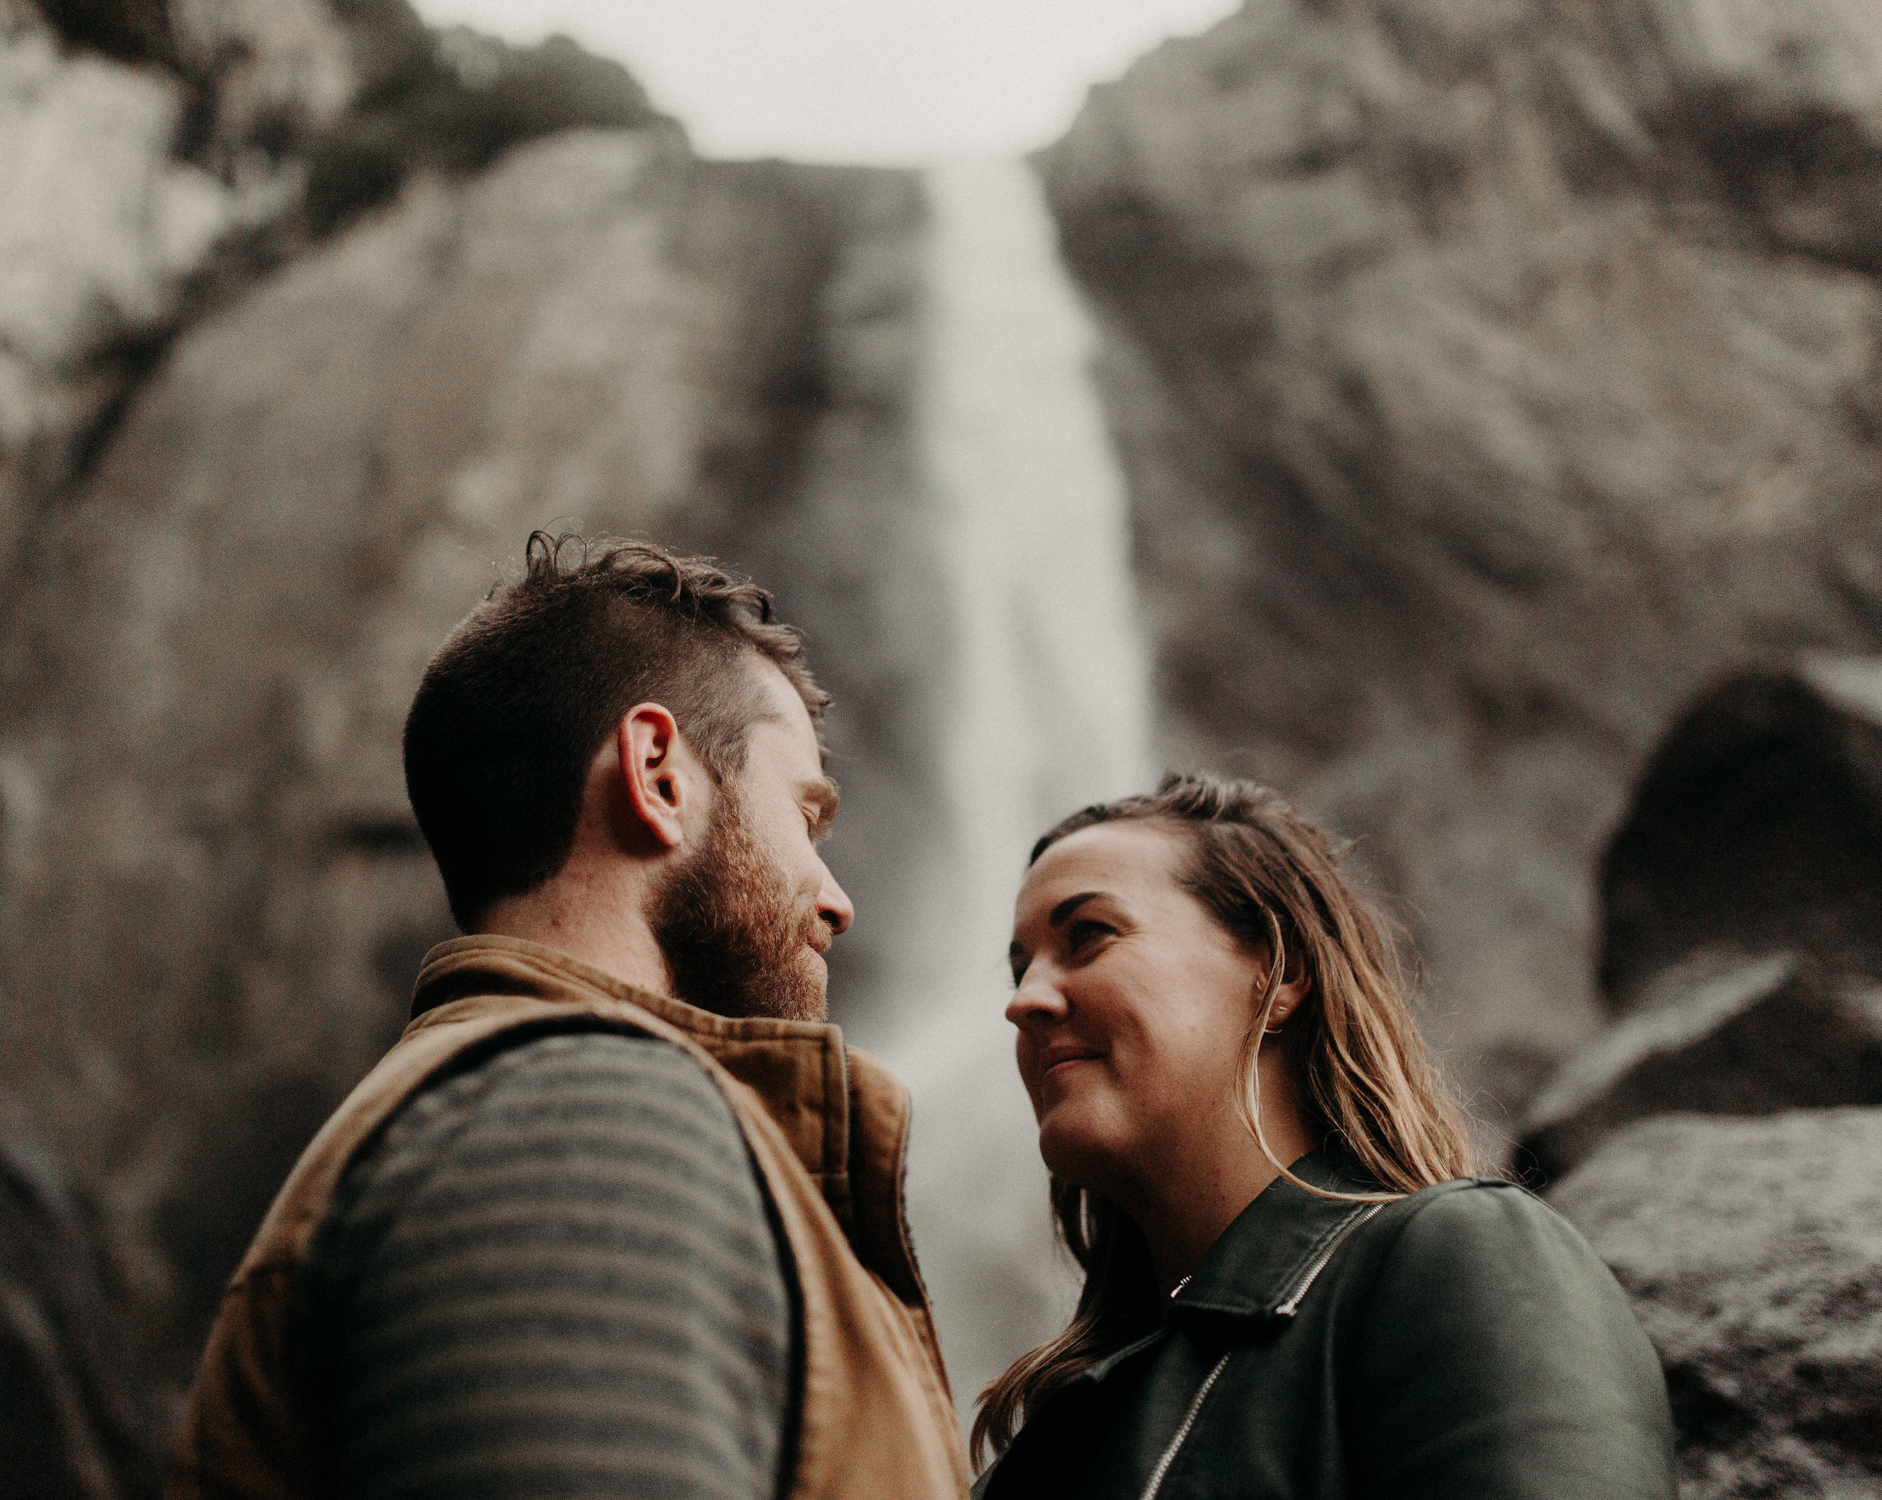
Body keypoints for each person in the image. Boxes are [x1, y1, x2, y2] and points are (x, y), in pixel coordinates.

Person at [166, 534, 971, 1500]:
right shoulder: (582, 1118)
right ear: (658, 773)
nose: (837, 898)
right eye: (804, 817)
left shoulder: (500, 1108)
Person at [973, 773, 1675, 1500]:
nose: (1024, 1001)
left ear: (1282, 973)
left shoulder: (1460, 1262)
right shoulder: (1064, 1425)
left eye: (1088, 935)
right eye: (1020, 969)